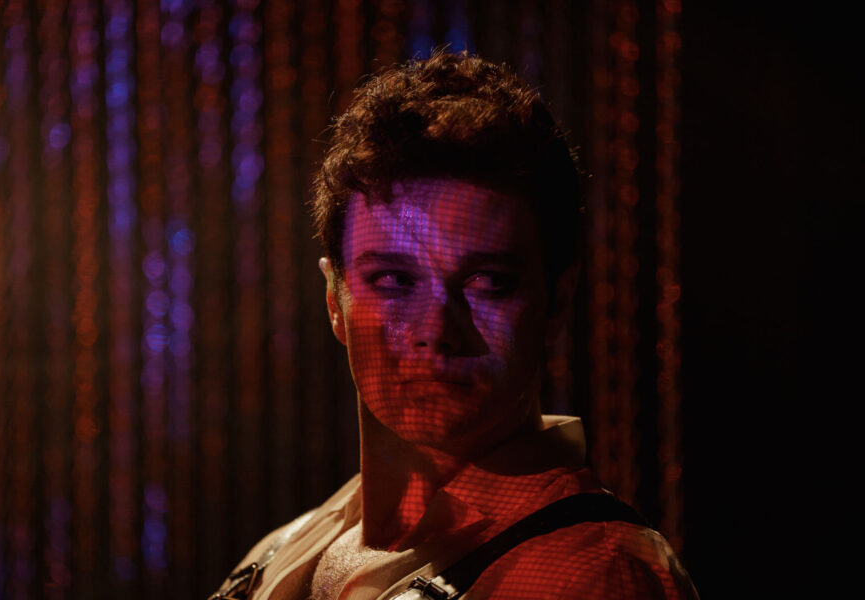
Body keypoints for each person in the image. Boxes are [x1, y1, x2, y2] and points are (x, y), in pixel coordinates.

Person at [210, 52, 697, 600]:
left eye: (487, 282)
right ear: (333, 301)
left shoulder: (591, 575)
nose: (436, 329)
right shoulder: (289, 544)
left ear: (557, 302)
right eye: (393, 279)